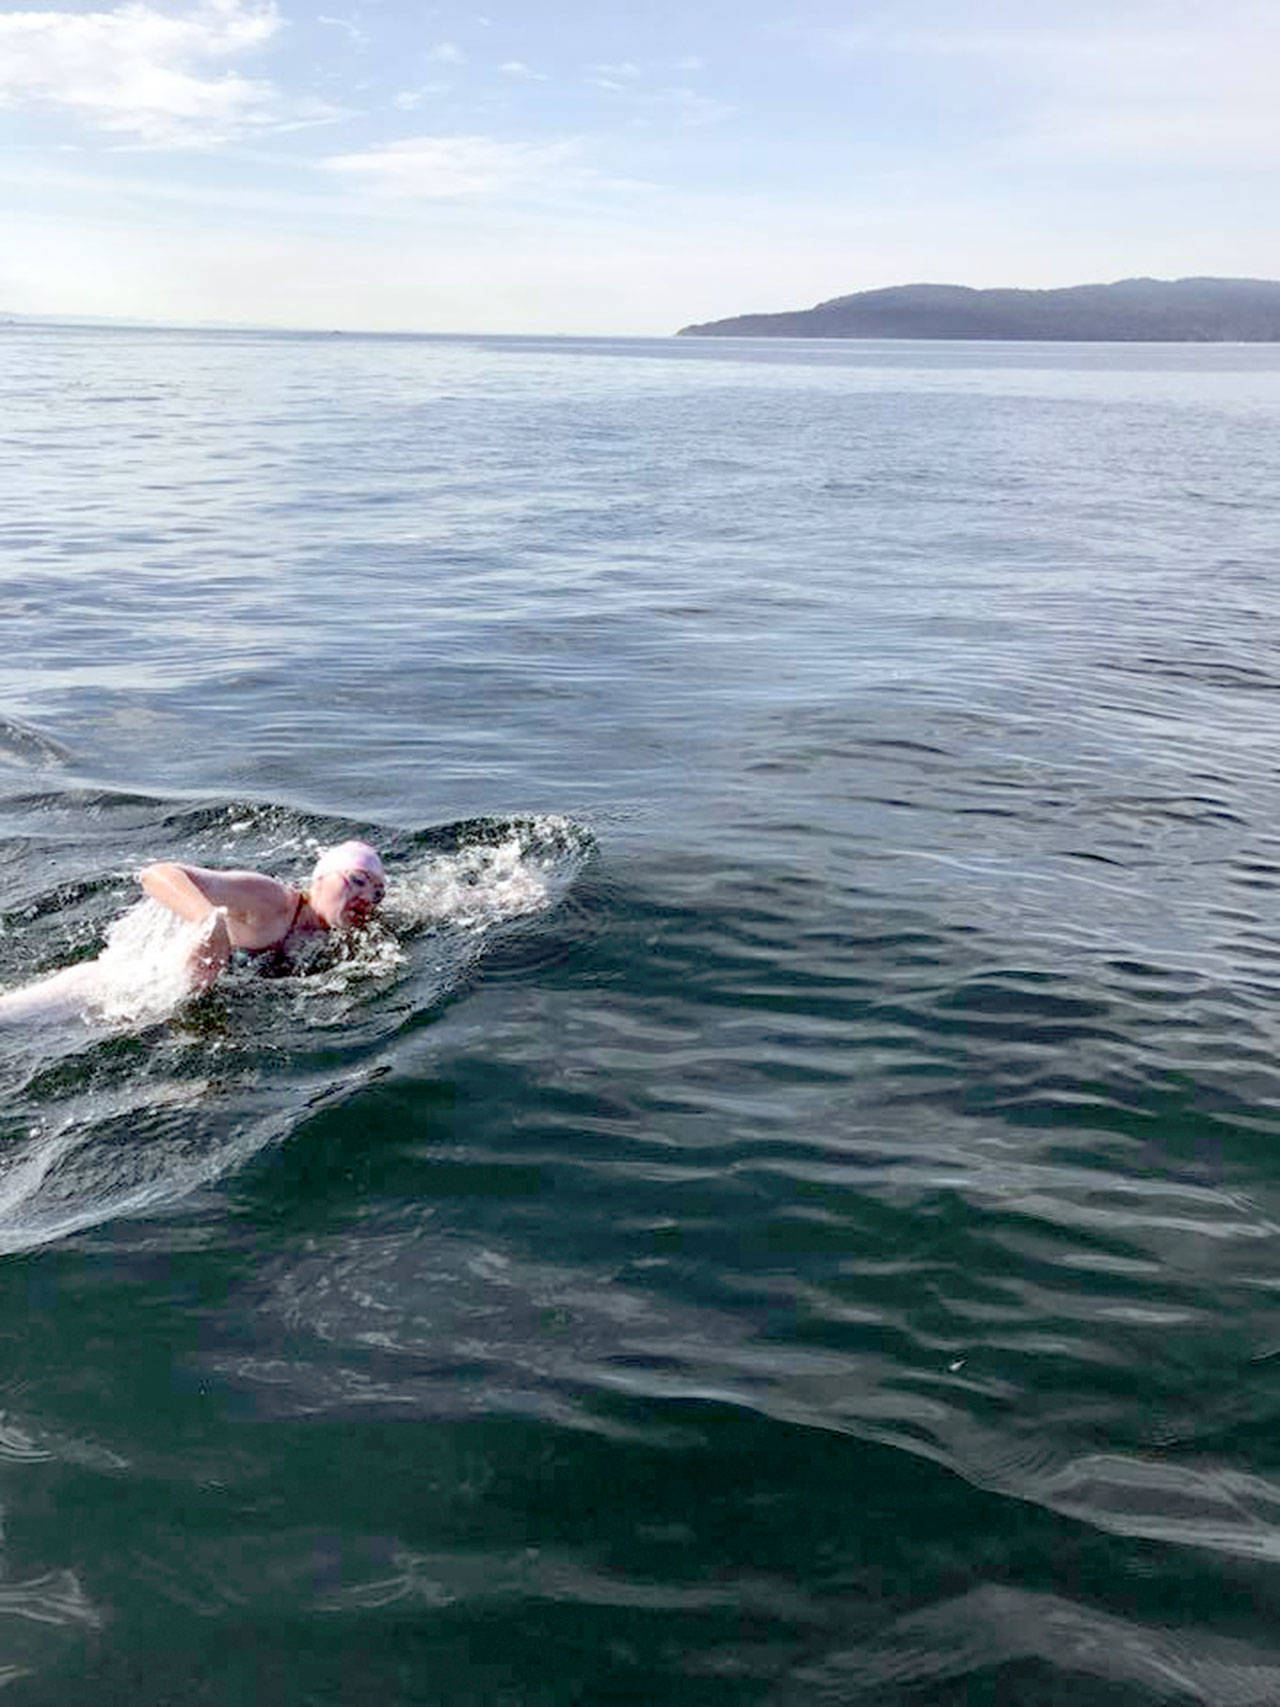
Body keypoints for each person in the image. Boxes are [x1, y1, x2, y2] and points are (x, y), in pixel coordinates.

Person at [139, 839, 387, 992]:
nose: (366, 898)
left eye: (377, 894)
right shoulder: (271, 901)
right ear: (320, 878)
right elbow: (157, 874)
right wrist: (207, 922)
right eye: (357, 880)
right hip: (141, 990)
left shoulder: (349, 936)